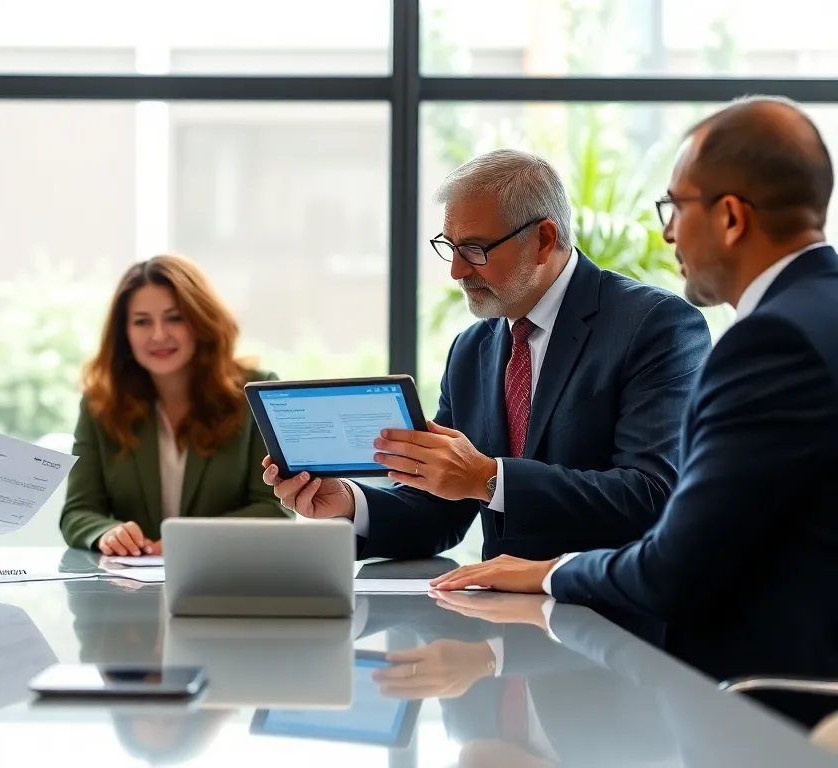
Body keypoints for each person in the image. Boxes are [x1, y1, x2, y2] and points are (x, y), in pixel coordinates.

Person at [430, 96, 838, 698]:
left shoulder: (768, 341)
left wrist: (549, 573)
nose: (667, 232)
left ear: (730, 217)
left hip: (767, 701)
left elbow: (677, 558)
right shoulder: (815, 317)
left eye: (676, 207)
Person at [265, 150, 711, 562]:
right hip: (498, 612)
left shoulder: (655, 325)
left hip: (607, 609)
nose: (456, 270)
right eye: (450, 247)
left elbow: (651, 495)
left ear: (543, 239)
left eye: (474, 249)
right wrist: (349, 502)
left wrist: (487, 478)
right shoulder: (471, 349)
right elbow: (440, 512)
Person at [61, 255, 289, 556]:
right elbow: (78, 511)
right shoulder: (100, 403)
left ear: (200, 320)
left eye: (174, 318)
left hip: (228, 574)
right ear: (124, 333)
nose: (158, 335)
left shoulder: (254, 392)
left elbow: (275, 508)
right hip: (129, 579)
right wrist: (108, 534)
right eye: (142, 321)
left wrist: (186, 541)